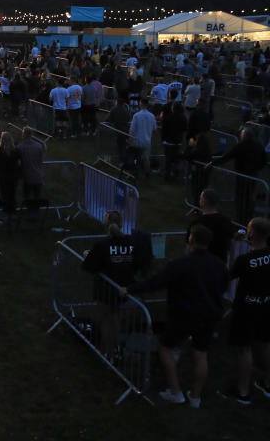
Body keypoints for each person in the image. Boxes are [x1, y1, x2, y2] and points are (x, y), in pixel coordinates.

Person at [122, 225, 228, 408]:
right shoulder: (219, 264)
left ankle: (175, 391)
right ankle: (195, 397)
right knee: (201, 353)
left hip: (184, 314)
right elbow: (223, 286)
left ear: (191, 240)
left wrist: (129, 289)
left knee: (165, 347)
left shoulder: (180, 264)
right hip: (209, 315)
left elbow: (155, 282)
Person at [81, 211, 152, 357]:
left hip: (105, 289)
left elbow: (90, 267)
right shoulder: (132, 243)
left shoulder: (102, 245)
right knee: (115, 317)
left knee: (107, 320)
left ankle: (108, 352)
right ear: (121, 223)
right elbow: (138, 264)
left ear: (106, 225)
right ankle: (117, 348)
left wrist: (88, 256)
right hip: (124, 288)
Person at [222, 217, 270, 404]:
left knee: (244, 349)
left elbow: (229, 275)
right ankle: (267, 383)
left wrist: (234, 246)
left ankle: (243, 392)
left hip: (246, 309)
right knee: (266, 343)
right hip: (266, 306)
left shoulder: (245, 260)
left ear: (251, 234)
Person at [188, 188, 235, 266]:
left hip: (200, 265)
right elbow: (231, 245)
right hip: (220, 264)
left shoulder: (197, 222)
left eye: (200, 198)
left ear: (203, 201)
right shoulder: (226, 221)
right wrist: (231, 264)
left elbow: (189, 246)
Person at [0, 132, 22, 220]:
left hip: (3, 176)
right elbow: (19, 163)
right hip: (13, 176)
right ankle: (12, 212)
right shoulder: (15, 151)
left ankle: (6, 212)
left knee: (5, 194)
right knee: (12, 194)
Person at [128, 98, 156, 177]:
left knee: (136, 156)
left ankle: (135, 172)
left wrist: (130, 139)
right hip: (147, 140)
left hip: (137, 140)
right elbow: (154, 129)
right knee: (146, 157)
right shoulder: (152, 116)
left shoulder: (136, 115)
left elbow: (132, 129)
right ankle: (147, 173)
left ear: (140, 104)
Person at [16, 126, 45, 201]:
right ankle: (35, 211)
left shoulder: (20, 147)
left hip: (27, 178)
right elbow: (41, 160)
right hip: (38, 177)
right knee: (37, 198)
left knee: (26, 199)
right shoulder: (39, 146)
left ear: (24, 134)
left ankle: (27, 211)